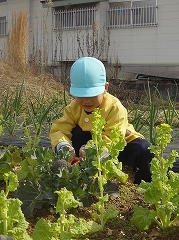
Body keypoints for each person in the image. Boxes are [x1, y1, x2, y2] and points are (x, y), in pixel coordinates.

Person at [50, 56, 152, 184]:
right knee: (77, 132)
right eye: (81, 96)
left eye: (92, 95)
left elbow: (113, 137)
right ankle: (82, 171)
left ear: (106, 88)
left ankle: (143, 182)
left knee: (144, 148)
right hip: (88, 150)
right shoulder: (73, 108)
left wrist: (92, 148)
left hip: (117, 146)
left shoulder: (114, 107)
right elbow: (59, 128)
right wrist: (63, 145)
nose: (86, 101)